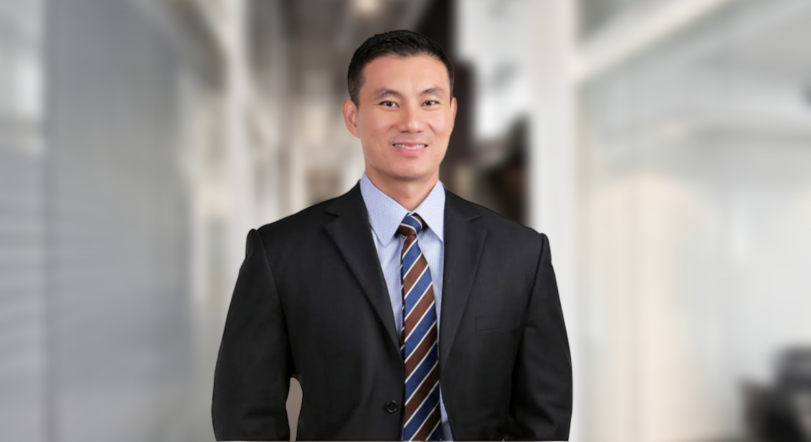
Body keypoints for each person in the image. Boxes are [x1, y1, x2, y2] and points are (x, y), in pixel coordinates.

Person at [211, 29, 572, 441]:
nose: (412, 123)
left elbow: (545, 413)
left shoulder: (521, 254)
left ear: (452, 114)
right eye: (388, 103)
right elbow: (244, 412)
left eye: (430, 102)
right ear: (353, 116)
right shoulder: (281, 254)